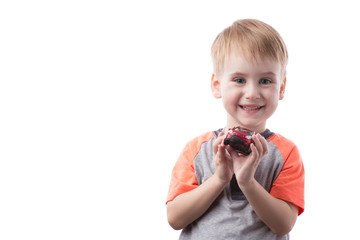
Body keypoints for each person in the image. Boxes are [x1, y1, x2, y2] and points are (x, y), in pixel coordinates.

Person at [166, 19, 305, 239]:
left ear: (282, 88)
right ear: (217, 86)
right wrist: (219, 178)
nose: (252, 93)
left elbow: (284, 224)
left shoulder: (285, 153)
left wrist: (247, 182)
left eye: (265, 81)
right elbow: (175, 218)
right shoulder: (197, 149)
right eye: (239, 80)